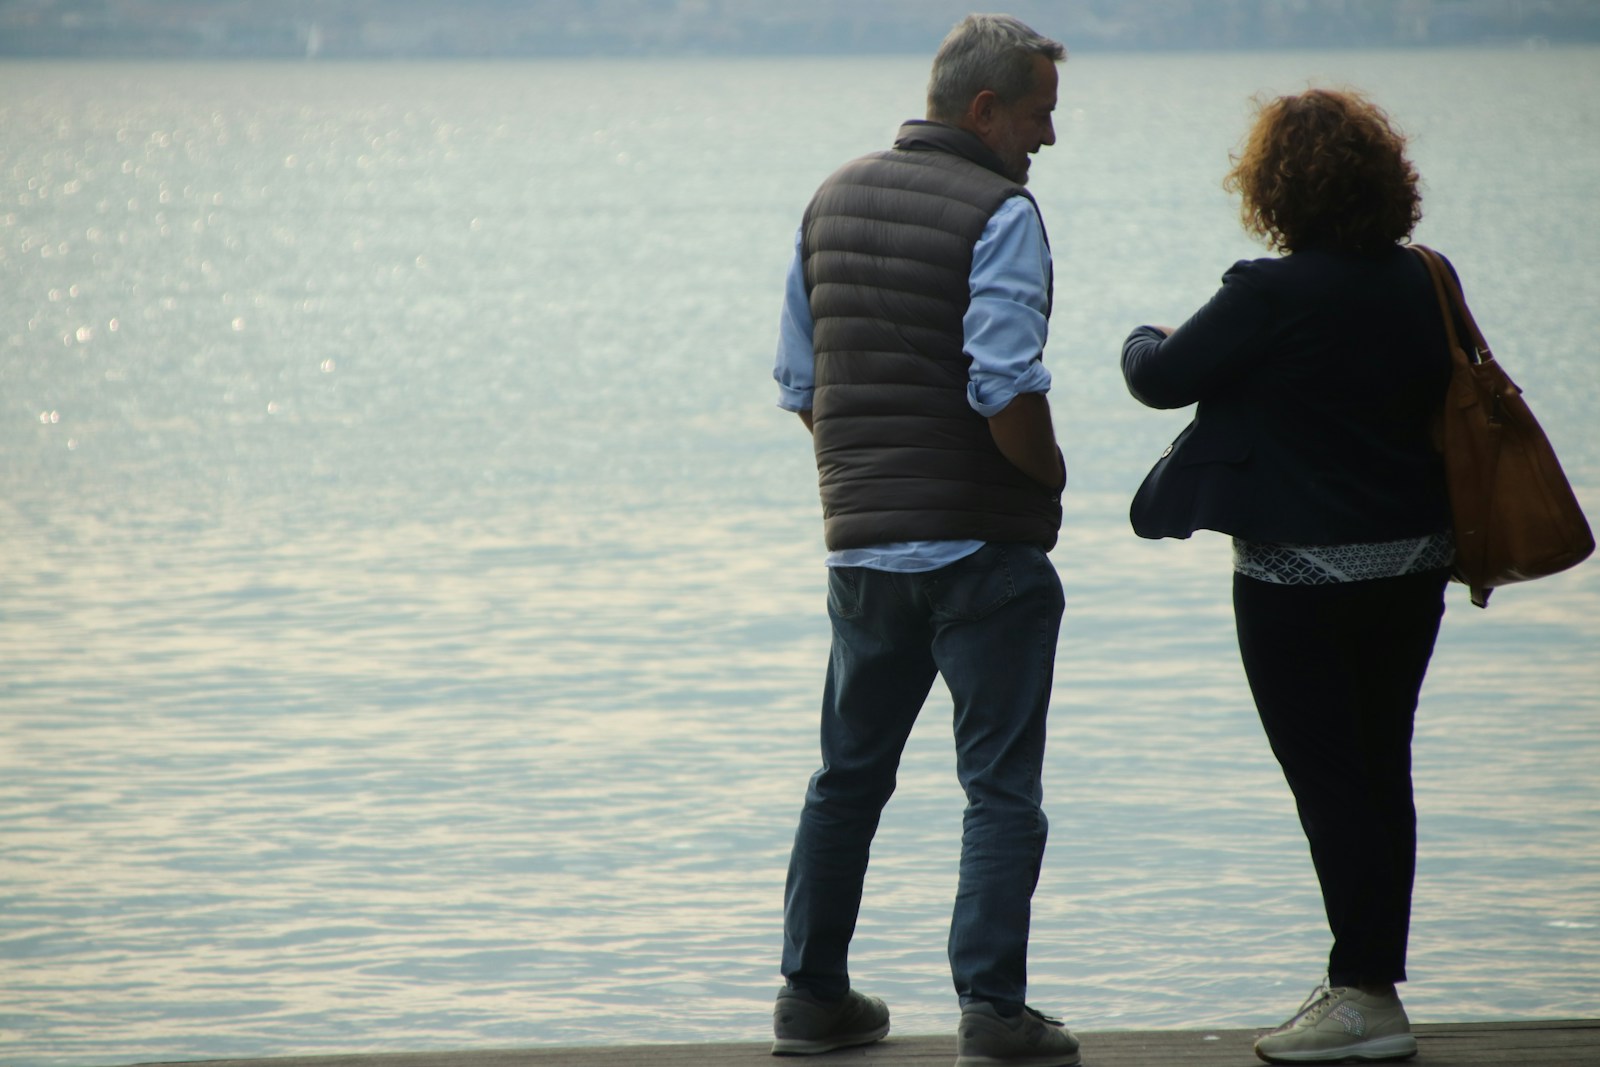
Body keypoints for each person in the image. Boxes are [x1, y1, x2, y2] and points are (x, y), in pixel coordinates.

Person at [768, 13, 1080, 1067]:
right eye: (1038, 113)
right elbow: (1002, 381)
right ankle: (993, 1011)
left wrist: (868, 487)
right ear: (984, 109)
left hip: (862, 549)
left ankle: (811, 996)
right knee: (999, 787)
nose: (1046, 137)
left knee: (845, 778)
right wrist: (1048, 472)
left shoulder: (829, 199)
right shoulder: (1002, 210)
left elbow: (801, 384)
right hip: (983, 551)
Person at [1121, 89, 1456, 1065]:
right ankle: (1366, 978)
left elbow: (1161, 376)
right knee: (1380, 765)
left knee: (1327, 778)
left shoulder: (1268, 294)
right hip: (1414, 566)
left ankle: (1362, 996)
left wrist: (1137, 334)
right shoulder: (1421, 281)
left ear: (1275, 188)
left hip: (1296, 582)